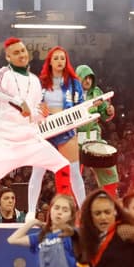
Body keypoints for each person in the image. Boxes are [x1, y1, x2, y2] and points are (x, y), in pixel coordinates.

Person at [0, 38, 70, 215]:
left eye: (23, 51)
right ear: (8, 57)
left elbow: (34, 115)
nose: (21, 55)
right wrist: (18, 102)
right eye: (16, 53)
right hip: (5, 142)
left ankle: (65, 213)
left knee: (63, 166)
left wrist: (42, 114)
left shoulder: (35, 81)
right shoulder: (2, 74)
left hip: (30, 140)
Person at [26, 46, 87, 208]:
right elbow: (30, 107)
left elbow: (80, 106)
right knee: (37, 172)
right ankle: (30, 213)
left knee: (75, 173)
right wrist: (39, 109)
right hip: (44, 130)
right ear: (50, 62)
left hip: (66, 128)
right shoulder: (40, 83)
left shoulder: (74, 83)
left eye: (62, 58)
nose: (60, 61)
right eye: (56, 58)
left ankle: (84, 210)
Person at [74, 65, 119, 196]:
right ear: (78, 78)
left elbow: (105, 116)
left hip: (94, 138)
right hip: (74, 139)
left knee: (109, 170)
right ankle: (70, 207)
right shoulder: (70, 93)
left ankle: (110, 201)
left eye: (90, 78)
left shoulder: (97, 92)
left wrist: (109, 111)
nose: (88, 81)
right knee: (71, 175)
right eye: (85, 78)